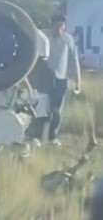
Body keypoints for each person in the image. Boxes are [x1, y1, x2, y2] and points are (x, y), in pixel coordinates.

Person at [43, 13, 82, 146]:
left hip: (61, 79)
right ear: (52, 26)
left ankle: (53, 136)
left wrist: (78, 81)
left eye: (62, 26)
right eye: (57, 26)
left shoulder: (68, 40)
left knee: (57, 110)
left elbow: (74, 60)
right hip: (45, 79)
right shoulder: (45, 37)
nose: (59, 29)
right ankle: (40, 135)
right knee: (43, 108)